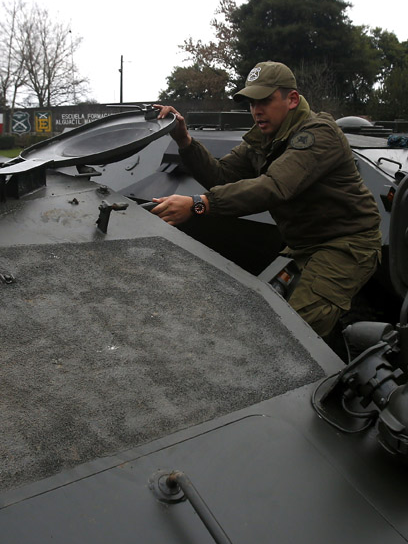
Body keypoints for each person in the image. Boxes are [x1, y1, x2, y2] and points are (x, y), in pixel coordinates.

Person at [149, 61, 382, 341]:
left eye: (265, 101)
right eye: (251, 103)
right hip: (302, 246)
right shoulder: (262, 139)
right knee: (263, 315)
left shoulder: (319, 134)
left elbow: (275, 186)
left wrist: (198, 204)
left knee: (293, 338)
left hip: (346, 245)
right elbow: (222, 177)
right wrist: (184, 140)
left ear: (292, 99)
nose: (256, 111)